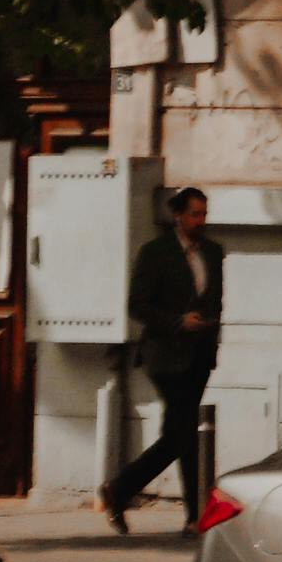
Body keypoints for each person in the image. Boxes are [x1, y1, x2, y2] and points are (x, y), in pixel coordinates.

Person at [102, 185, 223, 535]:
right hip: (165, 356)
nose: (200, 221)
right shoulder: (156, 253)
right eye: (194, 214)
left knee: (177, 435)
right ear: (178, 216)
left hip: (199, 353)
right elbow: (137, 305)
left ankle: (119, 489)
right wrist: (177, 322)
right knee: (186, 431)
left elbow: (215, 298)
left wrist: (209, 327)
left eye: (204, 214)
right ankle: (196, 515)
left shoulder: (213, 253)